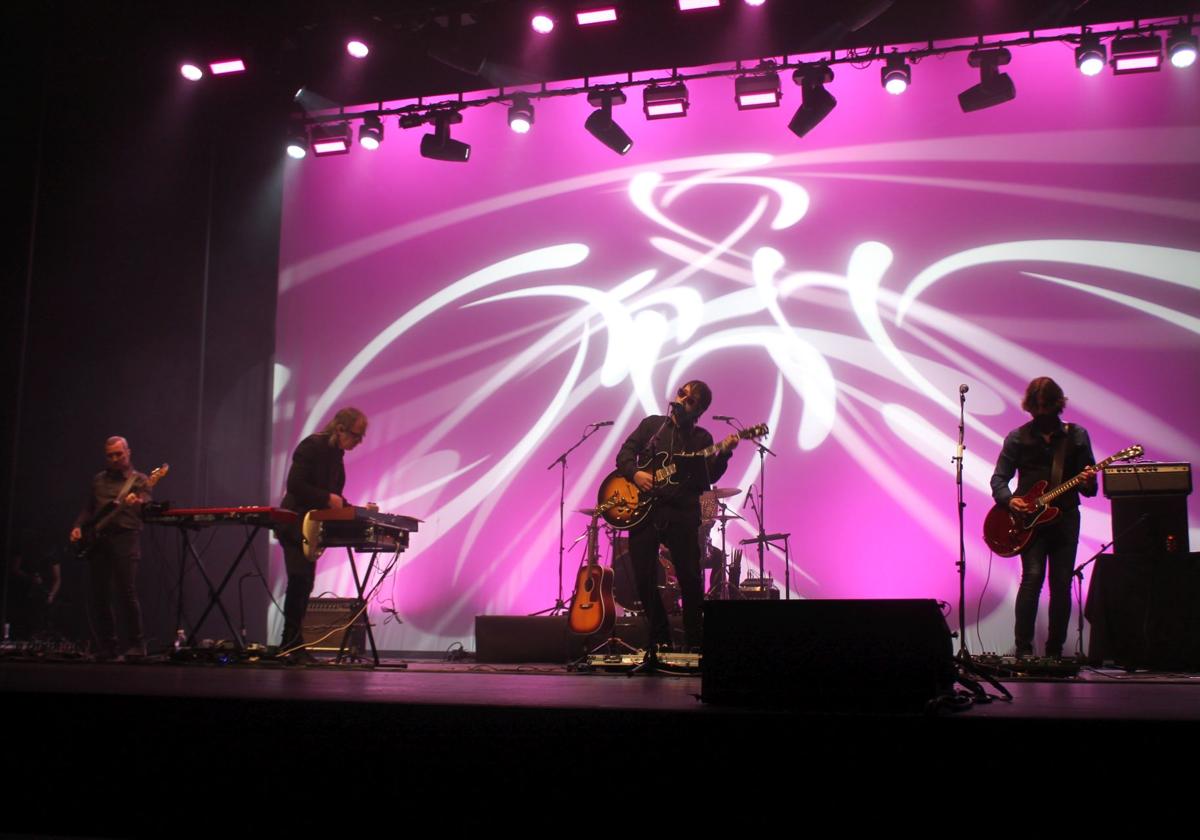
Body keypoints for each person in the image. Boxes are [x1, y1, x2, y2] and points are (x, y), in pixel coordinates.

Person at [616, 381, 741, 659]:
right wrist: (635, 474)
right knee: (643, 575)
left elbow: (711, 477)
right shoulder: (653, 426)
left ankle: (695, 642)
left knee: (689, 578)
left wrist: (725, 452)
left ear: (701, 409)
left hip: (681, 513)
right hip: (646, 510)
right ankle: (660, 639)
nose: (682, 399)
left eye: (690, 399)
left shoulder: (702, 439)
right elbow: (624, 454)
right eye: (681, 394)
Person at [990, 377, 1096, 659]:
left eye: (1046, 409)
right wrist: (1011, 500)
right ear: (1030, 408)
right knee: (1032, 578)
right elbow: (999, 479)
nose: (1042, 416)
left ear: (1057, 406)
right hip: (1029, 521)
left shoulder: (1076, 436)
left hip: (1065, 519)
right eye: (1037, 410)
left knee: (1061, 583)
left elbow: (1090, 490)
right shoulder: (1017, 437)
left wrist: (1087, 480)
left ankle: (1055, 651)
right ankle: (1023, 649)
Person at [277, 407, 368, 658]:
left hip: (311, 525)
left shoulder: (336, 454)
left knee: (304, 583)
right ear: (340, 429)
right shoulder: (312, 446)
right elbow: (295, 485)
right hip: (294, 524)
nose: (358, 442)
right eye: (356, 435)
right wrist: (327, 498)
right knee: (300, 580)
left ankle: (290, 642)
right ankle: (291, 643)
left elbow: (333, 495)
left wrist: (351, 509)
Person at [69, 436, 151, 660]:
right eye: (110, 455)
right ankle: (108, 646)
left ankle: (137, 645)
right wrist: (78, 526)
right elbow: (89, 508)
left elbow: (148, 505)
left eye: (119, 454)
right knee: (100, 594)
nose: (114, 459)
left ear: (128, 453)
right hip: (99, 539)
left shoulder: (140, 480)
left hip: (125, 536)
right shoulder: (98, 480)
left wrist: (139, 502)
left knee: (126, 591)